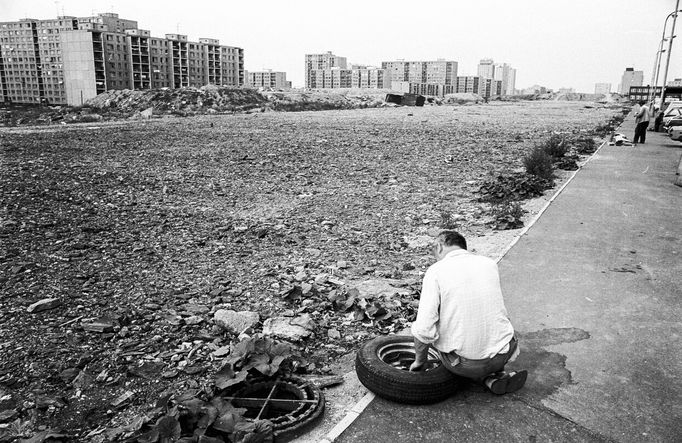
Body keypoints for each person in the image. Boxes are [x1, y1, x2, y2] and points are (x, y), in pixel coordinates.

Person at [409, 230, 527, 395]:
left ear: (440, 246)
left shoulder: (436, 271)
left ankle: (481, 376)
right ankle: (494, 376)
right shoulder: (488, 263)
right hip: (504, 353)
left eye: (434, 250)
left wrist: (419, 362)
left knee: (436, 329)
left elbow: (424, 330)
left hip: (466, 365)